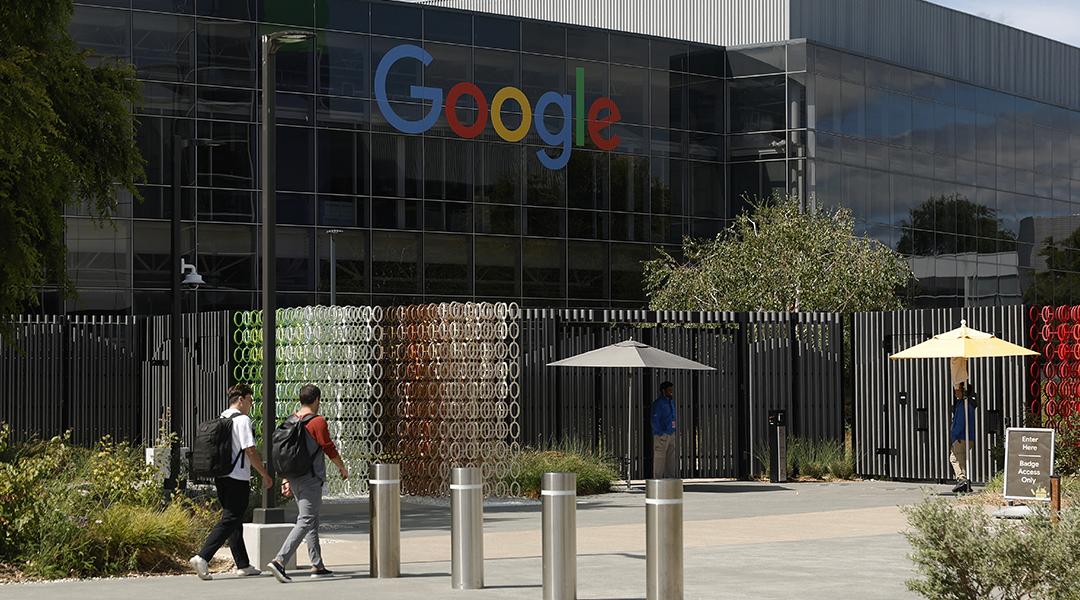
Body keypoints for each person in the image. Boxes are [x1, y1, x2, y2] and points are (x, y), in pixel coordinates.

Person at [190, 384, 272, 580]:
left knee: (234, 520)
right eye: (250, 400)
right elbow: (250, 450)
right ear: (241, 399)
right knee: (230, 519)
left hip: (221, 476)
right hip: (237, 477)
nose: (251, 405)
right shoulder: (242, 420)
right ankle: (203, 556)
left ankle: (243, 564)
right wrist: (265, 474)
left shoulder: (223, 417)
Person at [267, 384, 349, 583]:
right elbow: (328, 447)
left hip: (294, 476)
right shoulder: (317, 421)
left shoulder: (291, 419)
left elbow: (286, 453)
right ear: (317, 400)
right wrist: (341, 467)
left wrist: (285, 477)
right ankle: (280, 560)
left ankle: (317, 564)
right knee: (306, 520)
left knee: (311, 519)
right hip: (310, 478)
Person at [949, 381, 977, 493]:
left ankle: (962, 480)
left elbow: (960, 422)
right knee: (957, 459)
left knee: (957, 459)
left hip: (961, 437)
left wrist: (955, 435)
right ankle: (963, 480)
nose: (955, 392)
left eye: (957, 390)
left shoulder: (963, 405)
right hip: (966, 437)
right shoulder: (967, 404)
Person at [651, 381, 678, 479]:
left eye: (672, 390)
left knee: (671, 458)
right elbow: (655, 419)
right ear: (663, 391)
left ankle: (670, 478)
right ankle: (657, 479)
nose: (671, 392)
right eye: (669, 390)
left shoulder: (671, 402)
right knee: (660, 458)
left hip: (671, 433)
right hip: (662, 434)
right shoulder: (659, 403)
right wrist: (659, 433)